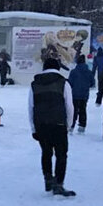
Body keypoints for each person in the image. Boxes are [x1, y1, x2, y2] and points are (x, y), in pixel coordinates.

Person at [28, 56, 75, 196]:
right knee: (61, 154)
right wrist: (69, 125)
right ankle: (59, 183)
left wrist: (33, 128)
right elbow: (69, 106)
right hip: (59, 123)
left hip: (41, 124)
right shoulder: (63, 83)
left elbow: (30, 107)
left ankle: (48, 178)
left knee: (46, 152)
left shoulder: (34, 84)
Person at [67, 54, 94, 134]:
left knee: (74, 110)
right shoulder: (89, 72)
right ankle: (82, 126)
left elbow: (70, 83)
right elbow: (92, 83)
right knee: (83, 109)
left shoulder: (73, 72)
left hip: (75, 94)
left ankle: (71, 126)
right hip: (84, 94)